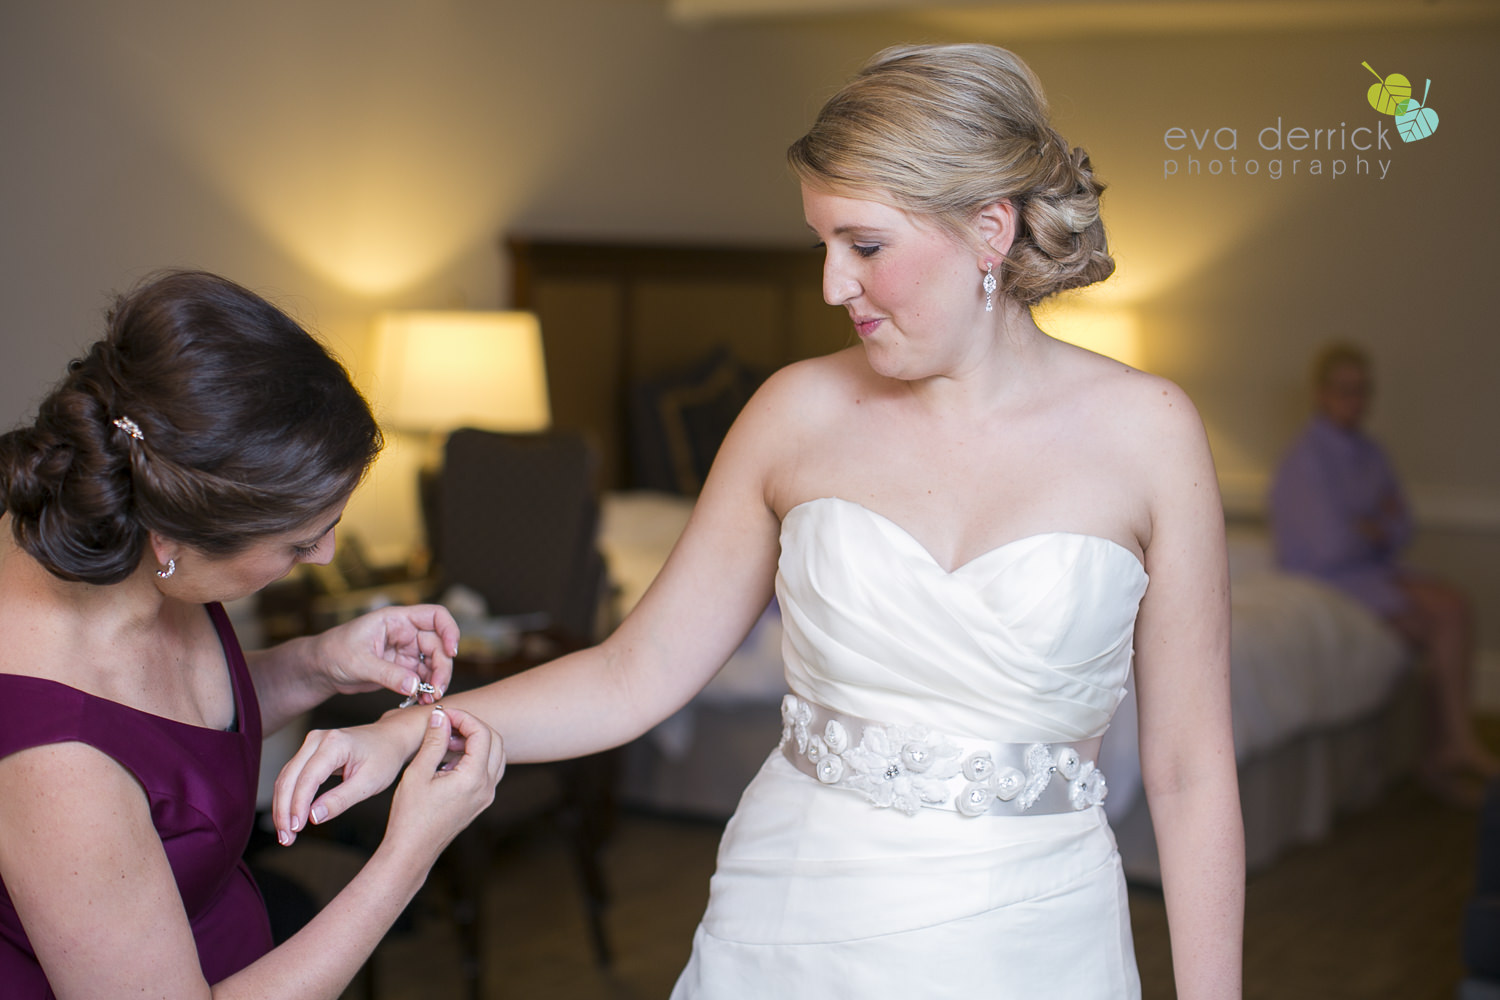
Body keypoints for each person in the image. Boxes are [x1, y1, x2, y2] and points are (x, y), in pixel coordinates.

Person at [276, 44, 1244, 998]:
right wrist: (413, 731)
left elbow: (1190, 770)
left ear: (990, 230)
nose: (832, 285)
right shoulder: (795, 413)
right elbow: (634, 672)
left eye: (864, 246)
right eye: (822, 245)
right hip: (795, 924)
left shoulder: (1148, 433)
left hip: (1037, 937)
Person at [0, 270, 505, 998]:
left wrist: (319, 663)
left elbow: (170, 750)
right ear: (175, 532)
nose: (325, 556)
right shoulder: (54, 759)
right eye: (301, 544)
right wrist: (407, 854)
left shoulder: (127, 542)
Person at [1269, 342, 1500, 794]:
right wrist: (1374, 526)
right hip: (1329, 577)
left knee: (1449, 613)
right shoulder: (1305, 461)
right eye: (1345, 390)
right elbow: (1330, 545)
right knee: (1439, 615)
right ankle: (1454, 745)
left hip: (1369, 569)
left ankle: (1447, 750)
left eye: (1362, 391)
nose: (1355, 401)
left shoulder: (1370, 452)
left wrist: (1370, 526)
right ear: (1321, 393)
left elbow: (1402, 524)